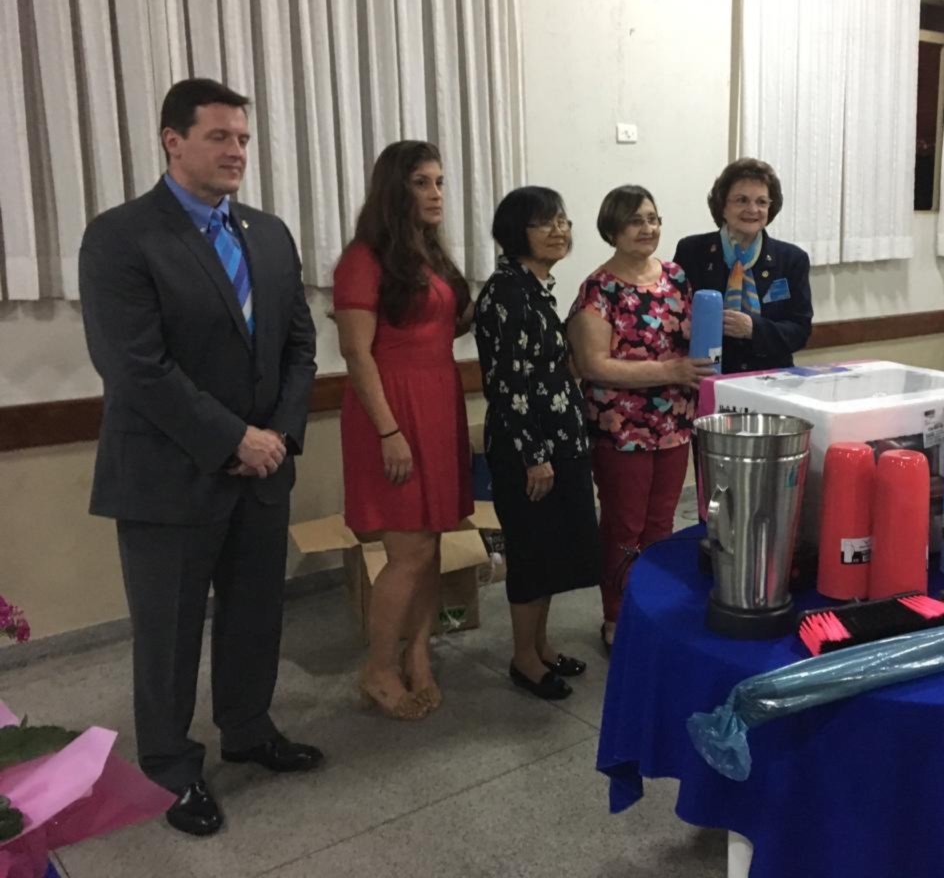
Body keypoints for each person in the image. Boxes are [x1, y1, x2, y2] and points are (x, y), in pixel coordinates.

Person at [78, 78, 321, 837]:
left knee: (254, 617)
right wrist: (232, 439)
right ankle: (170, 768)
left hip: (262, 473)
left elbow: (300, 345)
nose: (236, 151)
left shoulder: (269, 234)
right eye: (219, 136)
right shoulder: (122, 237)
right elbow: (135, 366)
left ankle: (247, 729)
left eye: (243, 138)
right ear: (172, 140)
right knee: (170, 634)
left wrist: (277, 436)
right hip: (168, 478)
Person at [333, 141, 474, 721]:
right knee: (407, 551)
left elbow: (442, 327)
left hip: (438, 401)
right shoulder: (363, 258)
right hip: (391, 411)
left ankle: (418, 655)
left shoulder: (428, 255)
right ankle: (378, 668)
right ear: (396, 189)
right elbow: (356, 353)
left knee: (432, 540)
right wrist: (389, 431)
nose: (436, 193)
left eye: (439, 182)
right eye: (421, 182)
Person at [568, 186, 713, 651]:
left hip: (674, 423)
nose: (647, 228)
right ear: (612, 229)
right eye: (635, 220)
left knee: (661, 526)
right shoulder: (599, 288)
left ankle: (653, 612)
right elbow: (593, 365)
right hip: (621, 428)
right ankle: (617, 617)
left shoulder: (676, 277)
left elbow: (691, 341)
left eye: (653, 218)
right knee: (624, 527)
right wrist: (671, 371)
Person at [474, 187, 600, 700]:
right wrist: (535, 456)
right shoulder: (505, 292)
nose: (559, 230)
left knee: (552, 552)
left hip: (559, 440)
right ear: (515, 232)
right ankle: (523, 658)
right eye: (545, 222)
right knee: (531, 552)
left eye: (563, 221)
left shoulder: (535, 287)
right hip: (529, 451)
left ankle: (541, 645)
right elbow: (507, 384)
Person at [674, 158, 813, 374]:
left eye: (762, 202)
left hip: (772, 378)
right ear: (722, 206)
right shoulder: (692, 251)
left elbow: (800, 331)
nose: (752, 209)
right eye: (741, 200)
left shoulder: (792, 259)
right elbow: (675, 318)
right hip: (707, 374)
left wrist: (753, 329)